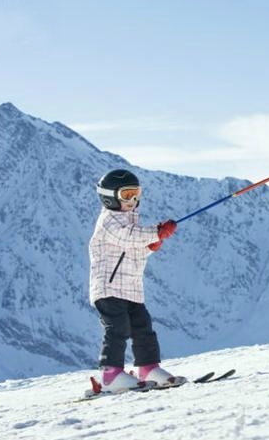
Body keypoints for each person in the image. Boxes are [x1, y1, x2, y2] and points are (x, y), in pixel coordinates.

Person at [89, 168, 183, 392]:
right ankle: (110, 375)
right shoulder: (109, 222)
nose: (132, 200)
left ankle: (148, 368)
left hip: (131, 290)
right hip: (109, 288)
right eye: (126, 195)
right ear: (110, 197)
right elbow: (128, 237)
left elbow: (132, 249)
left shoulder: (129, 221)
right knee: (117, 328)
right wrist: (155, 232)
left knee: (143, 328)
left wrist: (150, 246)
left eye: (135, 194)